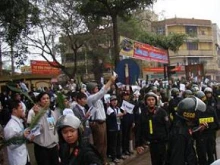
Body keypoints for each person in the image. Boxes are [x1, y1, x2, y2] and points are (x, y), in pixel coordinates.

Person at [166, 96, 207, 165]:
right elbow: (177, 160)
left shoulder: (183, 126)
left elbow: (188, 135)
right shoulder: (179, 135)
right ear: (190, 113)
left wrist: (198, 129)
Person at [87, 75, 117, 164]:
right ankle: (98, 161)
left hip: (103, 123)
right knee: (99, 144)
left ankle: (103, 161)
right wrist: (110, 81)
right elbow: (102, 92)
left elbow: (105, 91)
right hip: (97, 123)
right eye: (96, 88)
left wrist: (112, 82)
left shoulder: (99, 99)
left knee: (104, 144)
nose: (97, 89)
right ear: (92, 90)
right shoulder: (91, 98)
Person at [136, 92, 170, 165]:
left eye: (152, 99)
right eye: (149, 100)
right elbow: (139, 128)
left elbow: (168, 127)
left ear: (155, 101)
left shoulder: (162, 112)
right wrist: (139, 144)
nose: (151, 102)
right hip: (152, 143)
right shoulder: (143, 113)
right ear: (146, 101)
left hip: (162, 142)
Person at [30, 92, 59, 165]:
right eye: (43, 99)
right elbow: (35, 131)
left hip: (53, 146)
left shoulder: (52, 112)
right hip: (42, 148)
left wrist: (56, 141)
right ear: (39, 101)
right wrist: (37, 115)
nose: (46, 100)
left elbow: (53, 129)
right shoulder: (34, 112)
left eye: (48, 98)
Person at [4, 100, 33, 165]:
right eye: (21, 108)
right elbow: (10, 145)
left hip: (24, 157)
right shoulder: (10, 126)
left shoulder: (19, 121)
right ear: (14, 110)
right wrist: (23, 136)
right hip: (17, 160)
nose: (23, 110)